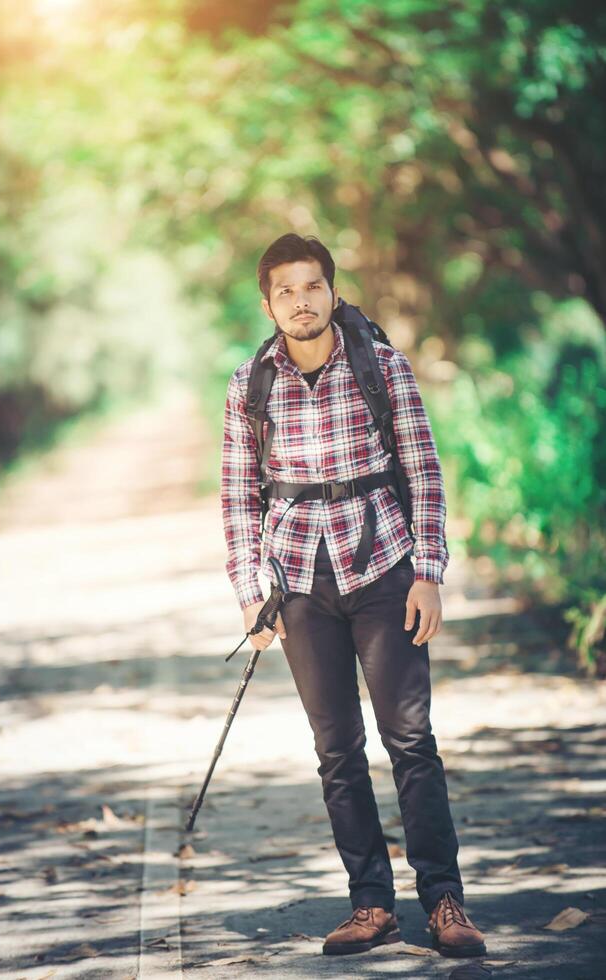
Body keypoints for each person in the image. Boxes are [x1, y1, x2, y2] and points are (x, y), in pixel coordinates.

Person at [220, 232, 486, 959]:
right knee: (336, 750)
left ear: (332, 291)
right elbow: (241, 500)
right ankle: (371, 905)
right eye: (285, 291)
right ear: (268, 303)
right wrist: (251, 594)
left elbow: (424, 470)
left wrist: (428, 572)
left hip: (384, 573)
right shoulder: (250, 386)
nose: (301, 303)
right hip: (301, 585)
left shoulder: (382, 368)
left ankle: (443, 901)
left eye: (313, 287)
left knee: (410, 741)